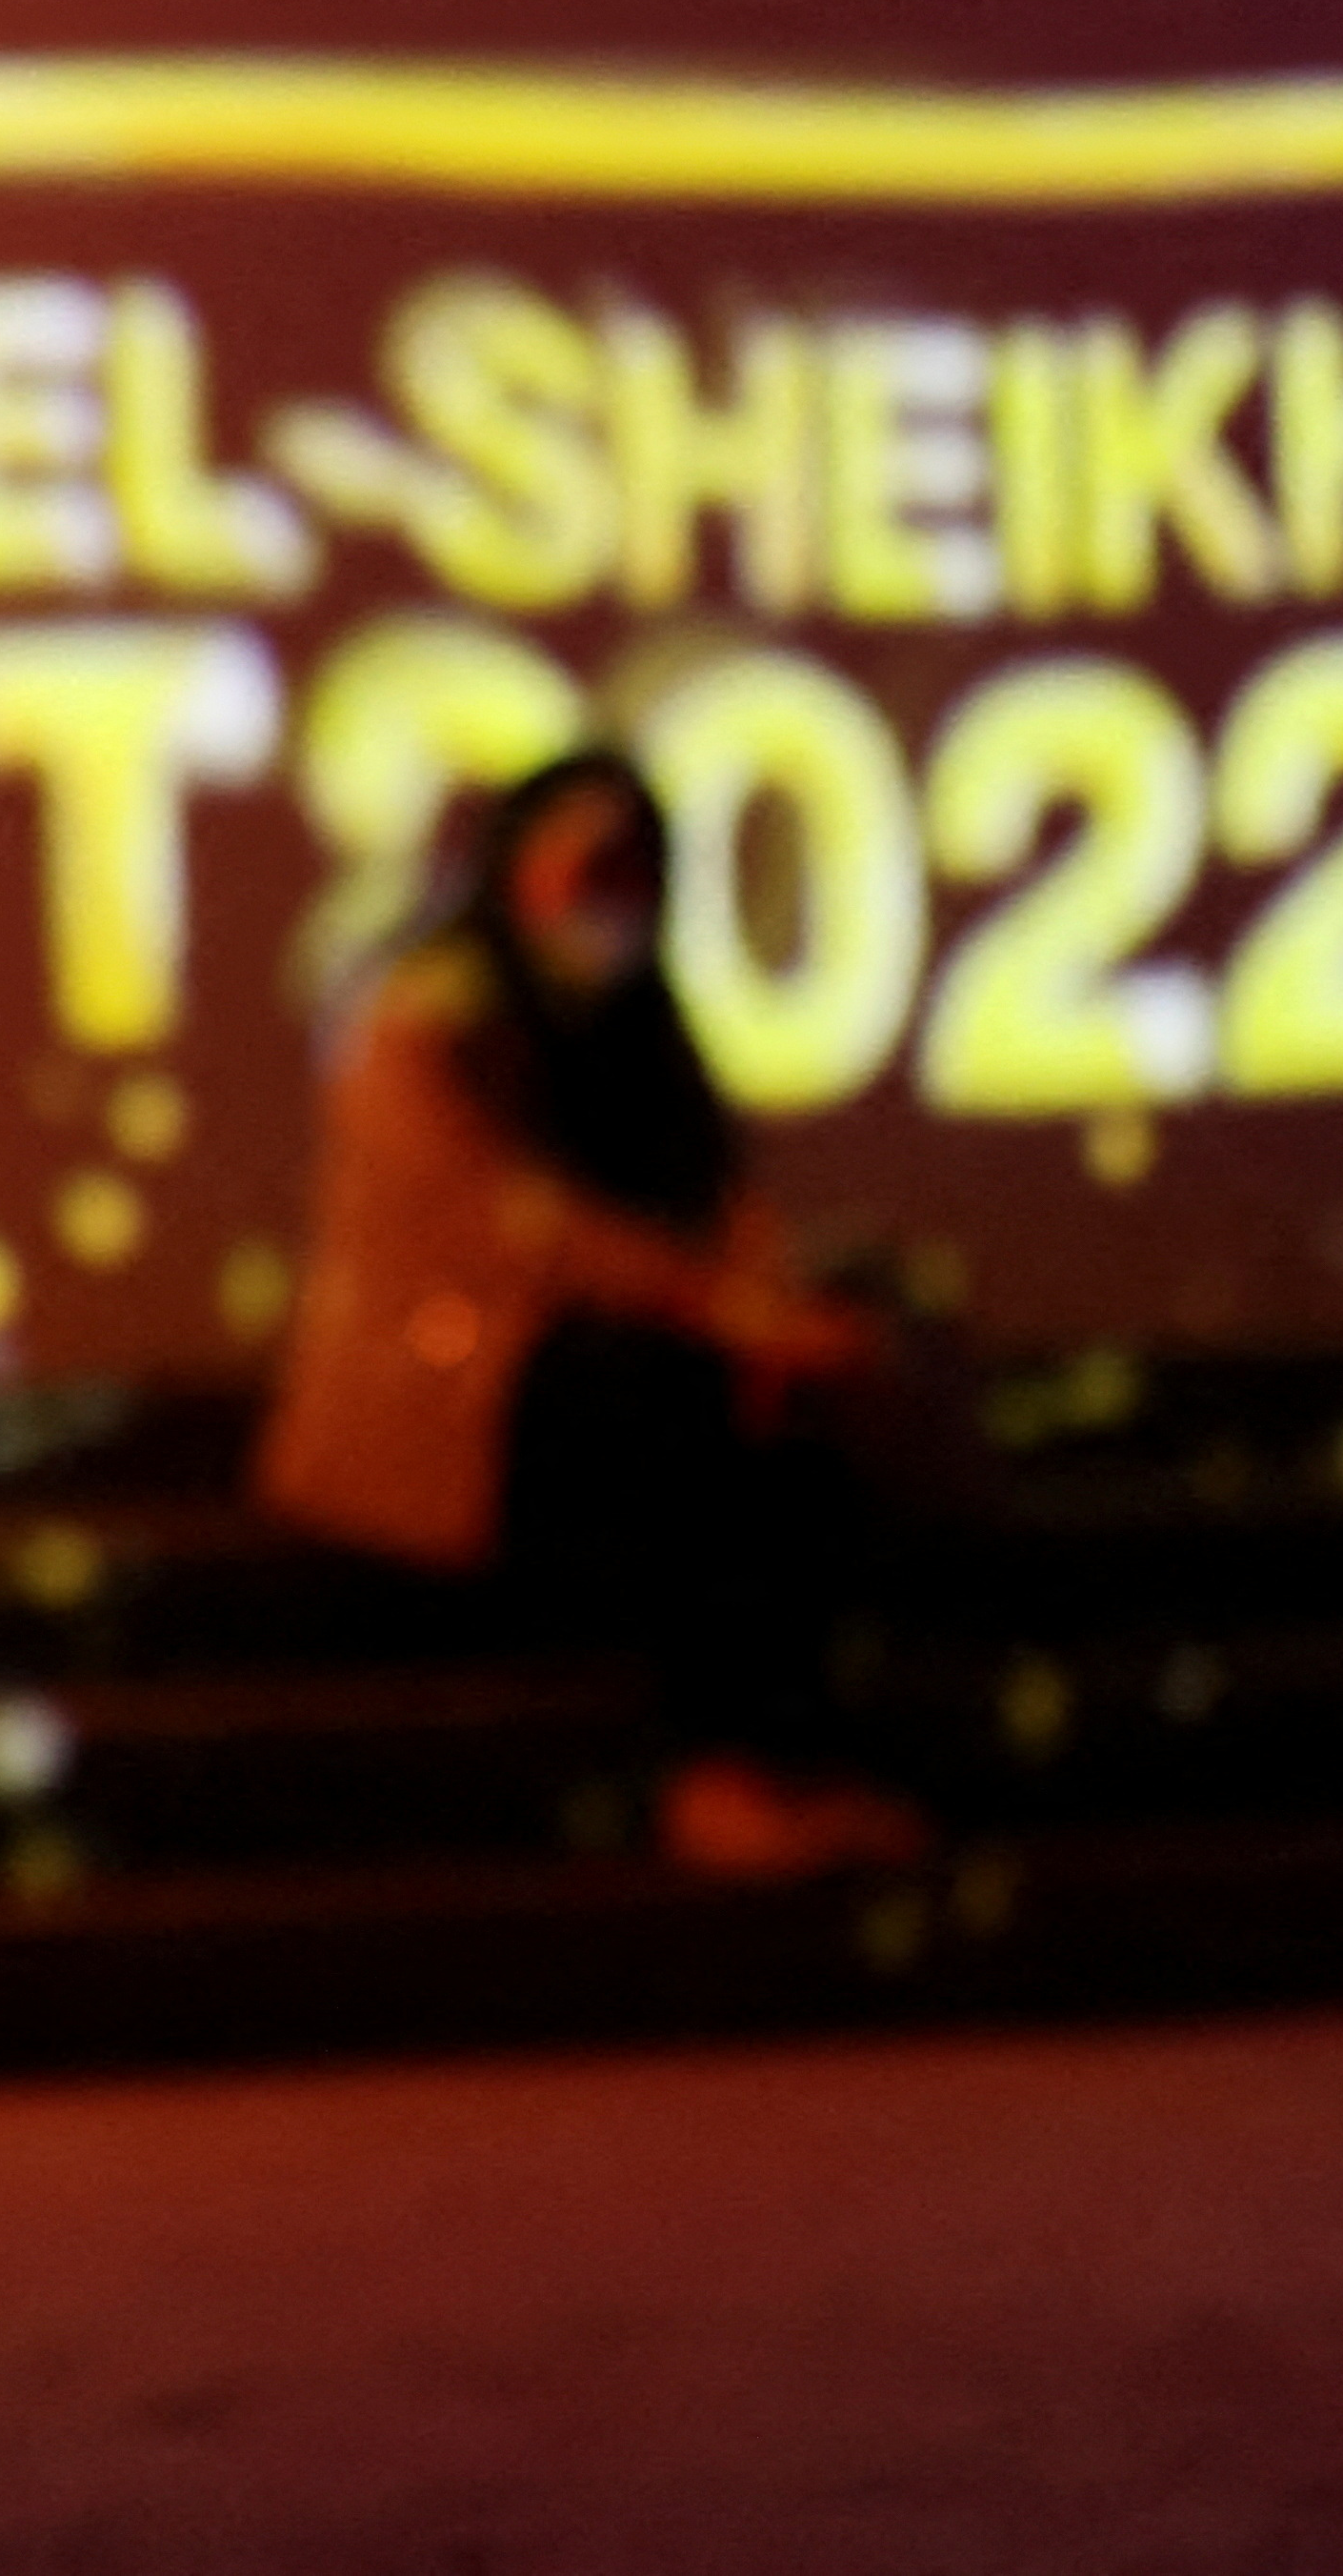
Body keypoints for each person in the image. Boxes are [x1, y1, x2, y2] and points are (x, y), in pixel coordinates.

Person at [251, 749, 925, 1879]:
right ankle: (716, 1775)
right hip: (451, 1409)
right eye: (580, 873)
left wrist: (770, 1311)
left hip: (625, 1375)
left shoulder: (644, 1029)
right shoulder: (425, 1020)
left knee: (793, 1427)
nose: (602, 906)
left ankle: (793, 1761)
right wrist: (718, 1311)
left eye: (628, 876)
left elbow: (719, 1204)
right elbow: (509, 1223)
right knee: (678, 1419)